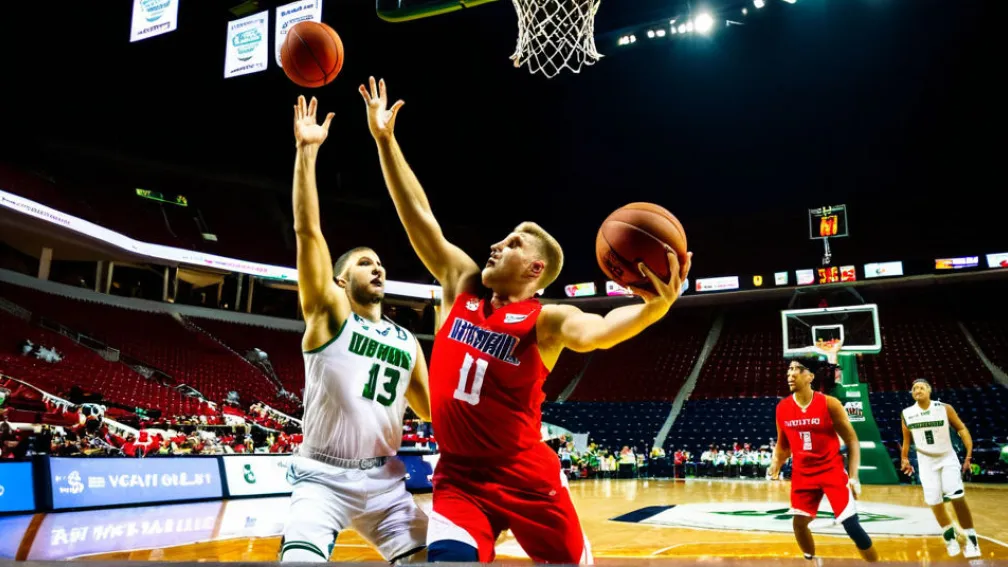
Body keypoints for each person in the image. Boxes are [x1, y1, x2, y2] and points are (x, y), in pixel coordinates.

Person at [361, 77, 691, 564]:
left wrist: (654, 308)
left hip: (526, 476)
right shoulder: (461, 285)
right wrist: (385, 141)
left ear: (536, 270)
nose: (497, 245)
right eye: (503, 239)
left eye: (513, 243)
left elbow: (600, 333)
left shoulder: (547, 319)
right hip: (459, 478)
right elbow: (420, 218)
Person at [280, 95, 431, 564]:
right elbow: (308, 232)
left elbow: (433, 410)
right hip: (322, 478)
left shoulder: (407, 341)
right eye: (365, 263)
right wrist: (307, 152)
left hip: (386, 483)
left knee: (436, 559)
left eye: (380, 263)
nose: (378, 267)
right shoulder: (329, 315)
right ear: (341, 281)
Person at [768, 340, 879, 562]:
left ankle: (875, 562)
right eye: (789, 369)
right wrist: (775, 463)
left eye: (796, 369)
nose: (790, 374)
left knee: (852, 525)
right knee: (799, 524)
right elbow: (783, 445)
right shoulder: (782, 408)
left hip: (831, 470)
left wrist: (854, 476)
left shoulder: (829, 404)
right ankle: (810, 559)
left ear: (810, 376)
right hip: (802, 474)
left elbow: (852, 440)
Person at [900, 378, 981, 558]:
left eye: (921, 387)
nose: (917, 390)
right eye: (914, 388)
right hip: (925, 461)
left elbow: (962, 429)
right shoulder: (906, 413)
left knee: (956, 496)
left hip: (947, 457)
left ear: (929, 391)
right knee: (935, 502)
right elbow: (906, 439)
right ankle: (950, 538)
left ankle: (972, 541)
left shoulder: (944, 408)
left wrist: (968, 454)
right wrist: (904, 458)